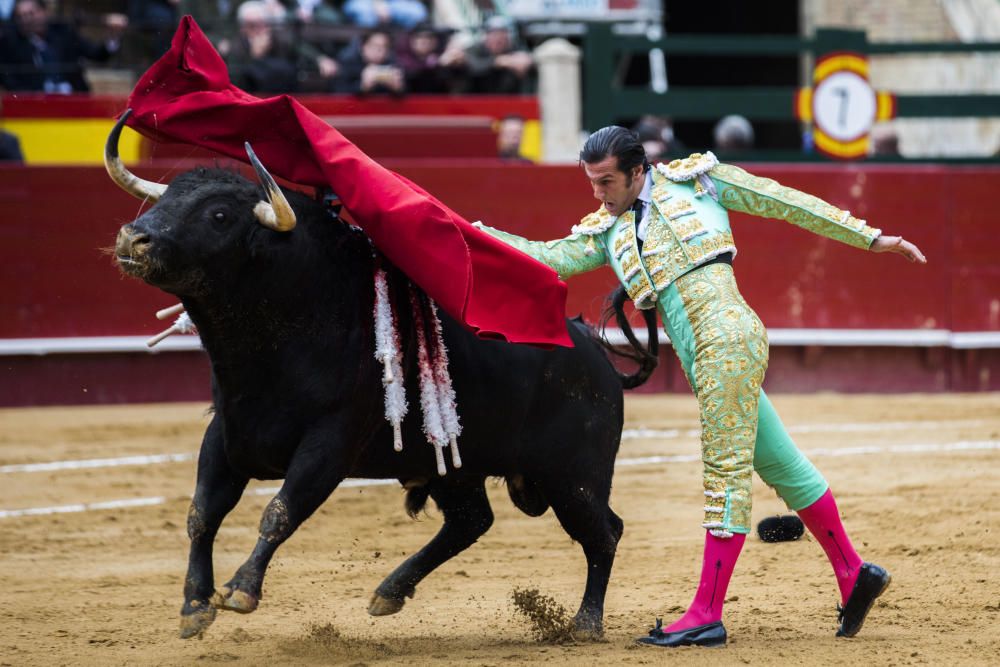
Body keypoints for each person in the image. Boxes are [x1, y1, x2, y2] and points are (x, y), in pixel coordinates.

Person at [474, 126, 926, 648]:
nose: (597, 193)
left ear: (637, 171)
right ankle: (854, 573)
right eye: (592, 182)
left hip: (727, 336)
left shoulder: (699, 183)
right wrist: (472, 231)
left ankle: (707, 613)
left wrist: (870, 237)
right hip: (702, 353)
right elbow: (546, 257)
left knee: (724, 473)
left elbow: (782, 202)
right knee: (780, 463)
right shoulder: (607, 230)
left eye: (606, 182)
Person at [0, 0, 128, 93]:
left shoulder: (64, 33)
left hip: (72, 102)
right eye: (21, 16)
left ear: (44, 12)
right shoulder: (11, 44)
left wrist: (113, 36)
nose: (26, 20)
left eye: (31, 13)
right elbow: (10, 81)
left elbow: (98, 55)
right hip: (35, 108)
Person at [222, 0, 337, 94]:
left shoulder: (277, 38)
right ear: (243, 28)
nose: (258, 29)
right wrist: (254, 56)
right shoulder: (236, 46)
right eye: (252, 25)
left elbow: (298, 47)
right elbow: (237, 82)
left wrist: (319, 59)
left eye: (261, 23)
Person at [462, 14, 533, 94]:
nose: (498, 39)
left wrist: (524, 62)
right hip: (475, 99)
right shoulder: (474, 49)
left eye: (502, 36)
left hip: (508, 100)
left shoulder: (515, 49)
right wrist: (498, 62)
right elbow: (473, 67)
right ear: (486, 36)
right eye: (494, 35)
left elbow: (525, 62)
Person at [332, 29, 403, 95]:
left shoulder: (392, 64)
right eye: (374, 46)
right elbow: (338, 92)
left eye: (384, 47)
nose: (379, 51)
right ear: (363, 46)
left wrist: (397, 88)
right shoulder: (348, 62)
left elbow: (408, 92)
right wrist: (362, 86)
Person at [342, 0, 427, 29]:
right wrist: (378, 3)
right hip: (365, 3)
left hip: (394, 4)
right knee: (365, 15)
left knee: (418, 12)